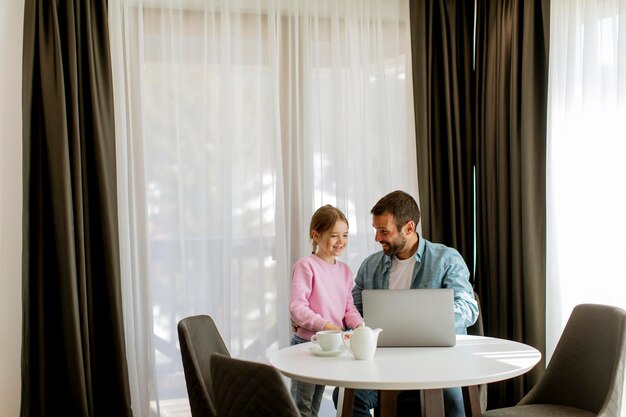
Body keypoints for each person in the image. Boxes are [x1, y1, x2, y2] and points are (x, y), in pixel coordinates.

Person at [332, 190, 479, 417]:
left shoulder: (446, 259)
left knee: (451, 404)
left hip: (437, 364)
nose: (377, 238)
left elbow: (469, 308)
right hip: (383, 363)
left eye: (384, 231)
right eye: (376, 230)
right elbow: (350, 312)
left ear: (409, 228)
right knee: (346, 396)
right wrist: (318, 319)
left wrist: (428, 318)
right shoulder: (370, 266)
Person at [289, 204, 365, 417]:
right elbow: (297, 308)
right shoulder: (306, 266)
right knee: (301, 407)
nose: (341, 241)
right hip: (307, 346)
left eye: (345, 235)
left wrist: (359, 325)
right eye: (334, 235)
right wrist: (327, 326)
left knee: (314, 405)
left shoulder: (344, 270)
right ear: (316, 234)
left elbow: (348, 307)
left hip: (330, 347)